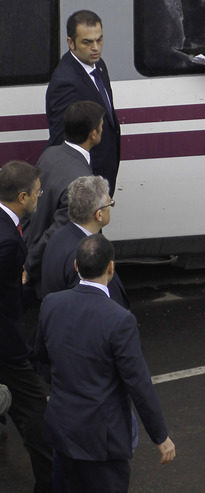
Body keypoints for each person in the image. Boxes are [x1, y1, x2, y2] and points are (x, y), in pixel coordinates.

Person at [37, 234, 175, 492]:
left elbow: (42, 357)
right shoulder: (119, 319)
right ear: (111, 267)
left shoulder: (51, 304)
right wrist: (160, 436)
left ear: (76, 266)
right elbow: (138, 384)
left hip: (62, 430)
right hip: (101, 442)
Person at [0, 161, 53, 492]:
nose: (40, 196)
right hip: (7, 344)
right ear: (22, 196)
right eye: (36, 192)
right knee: (34, 410)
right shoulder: (9, 242)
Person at [23, 100, 105, 289]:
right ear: (93, 134)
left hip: (30, 246)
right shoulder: (81, 181)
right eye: (101, 126)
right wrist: (29, 266)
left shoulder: (51, 154)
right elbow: (57, 233)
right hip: (50, 274)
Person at [46, 10, 122, 194]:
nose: (96, 47)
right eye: (87, 42)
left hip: (103, 174)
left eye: (99, 40)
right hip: (84, 183)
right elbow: (60, 140)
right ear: (71, 43)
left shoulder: (99, 65)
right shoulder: (65, 82)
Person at [40, 175, 129, 308]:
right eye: (111, 204)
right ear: (99, 215)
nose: (111, 207)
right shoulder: (90, 255)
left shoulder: (58, 237)